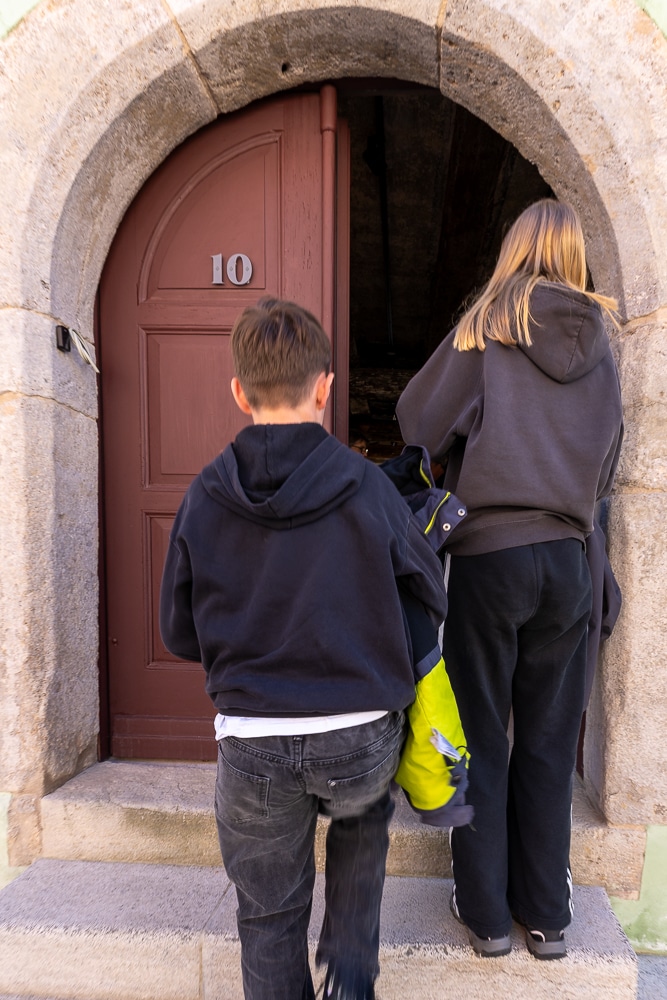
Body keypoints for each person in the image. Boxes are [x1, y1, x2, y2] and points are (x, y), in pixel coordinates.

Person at [159, 297, 449, 1000]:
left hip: (252, 738)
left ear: (239, 392)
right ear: (325, 387)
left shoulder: (204, 495)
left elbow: (177, 632)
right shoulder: (368, 487)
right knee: (352, 909)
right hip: (360, 734)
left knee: (267, 918)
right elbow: (427, 589)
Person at [396, 200, 623, 961]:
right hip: (567, 560)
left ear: (514, 249)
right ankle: (547, 919)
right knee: (551, 742)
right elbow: (607, 466)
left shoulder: (488, 324)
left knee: (481, 735)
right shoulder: (603, 347)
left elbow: (418, 423)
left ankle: (488, 916)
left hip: (490, 556)